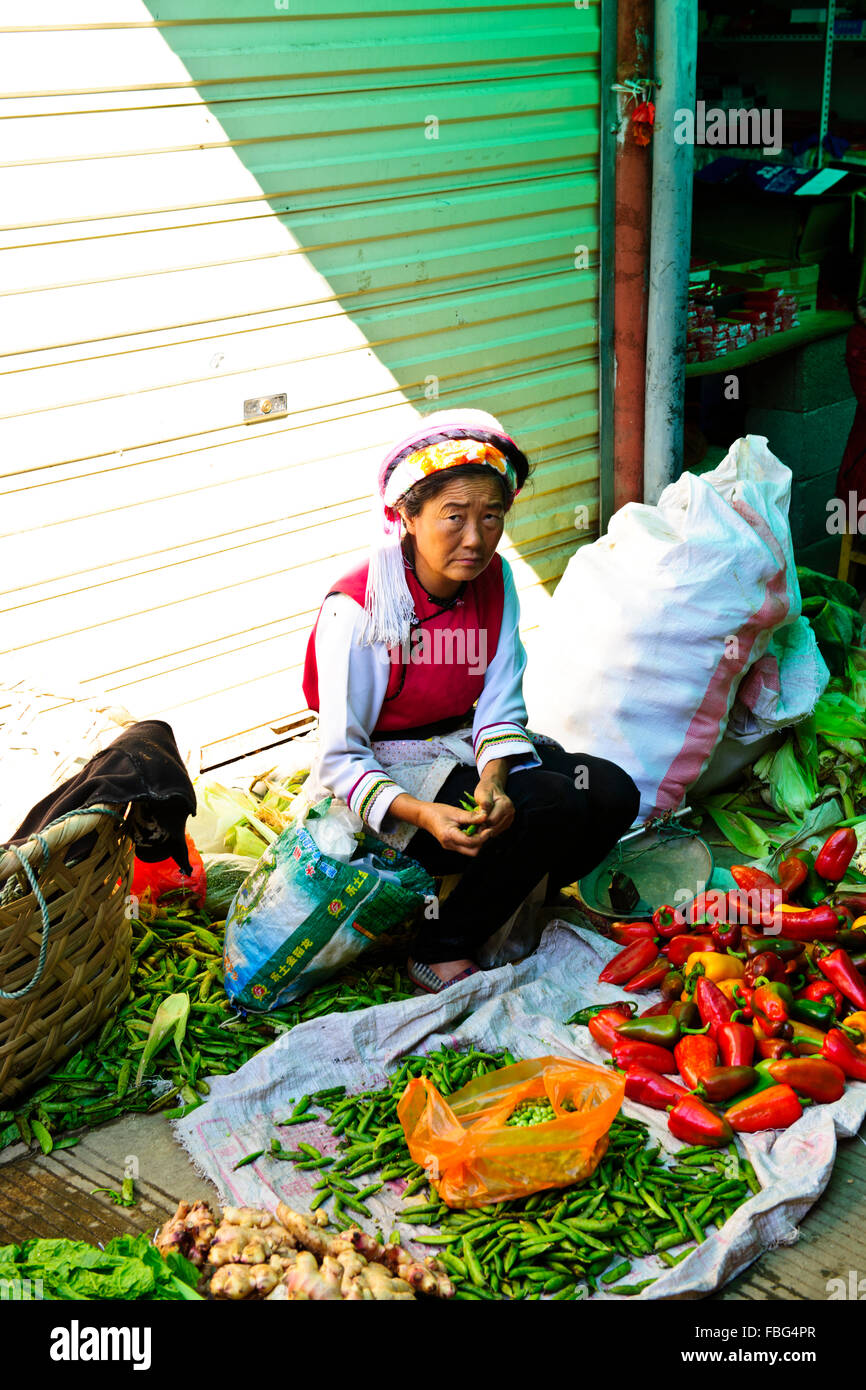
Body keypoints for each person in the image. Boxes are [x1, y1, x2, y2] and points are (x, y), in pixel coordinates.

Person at [302, 409, 640, 992]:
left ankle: (502, 892)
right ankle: (439, 943)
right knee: (552, 802)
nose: (476, 538)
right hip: (385, 776)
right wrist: (426, 813)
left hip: (460, 747)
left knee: (611, 793)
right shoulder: (358, 605)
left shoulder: (495, 579)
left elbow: (499, 701)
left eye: (492, 517)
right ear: (406, 515)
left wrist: (493, 778)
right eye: (453, 517)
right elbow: (339, 758)